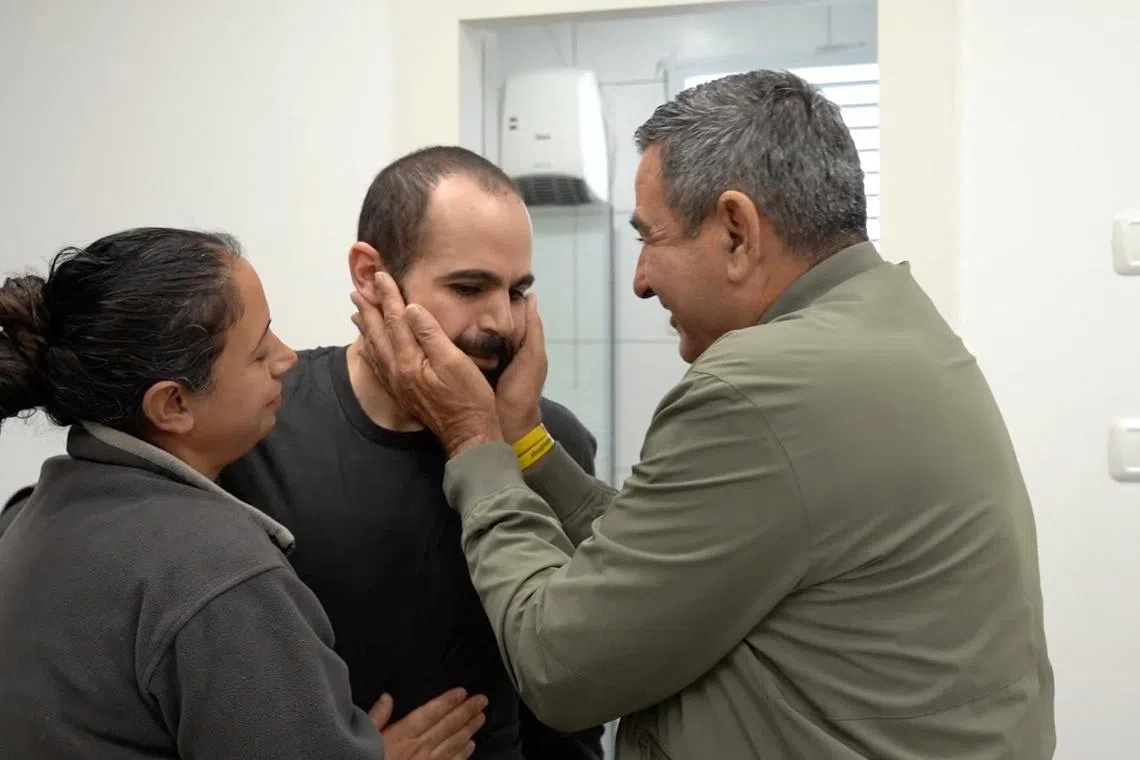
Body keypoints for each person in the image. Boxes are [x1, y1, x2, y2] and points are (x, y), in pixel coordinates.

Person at [349, 70, 1057, 759]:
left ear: (737, 232)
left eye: (649, 238)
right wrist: (526, 441)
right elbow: (682, 562)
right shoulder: (897, 328)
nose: (640, 280)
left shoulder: (762, 387)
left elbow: (559, 668)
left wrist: (476, 441)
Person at [0, 227, 487, 759]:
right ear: (173, 406)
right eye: (259, 353)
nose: (287, 358)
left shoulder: (35, 512)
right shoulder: (215, 570)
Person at [219, 146, 605, 760]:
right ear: (371, 275)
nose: (500, 322)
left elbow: (575, 701)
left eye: (517, 291)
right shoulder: (258, 430)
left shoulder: (546, 443)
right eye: (469, 286)